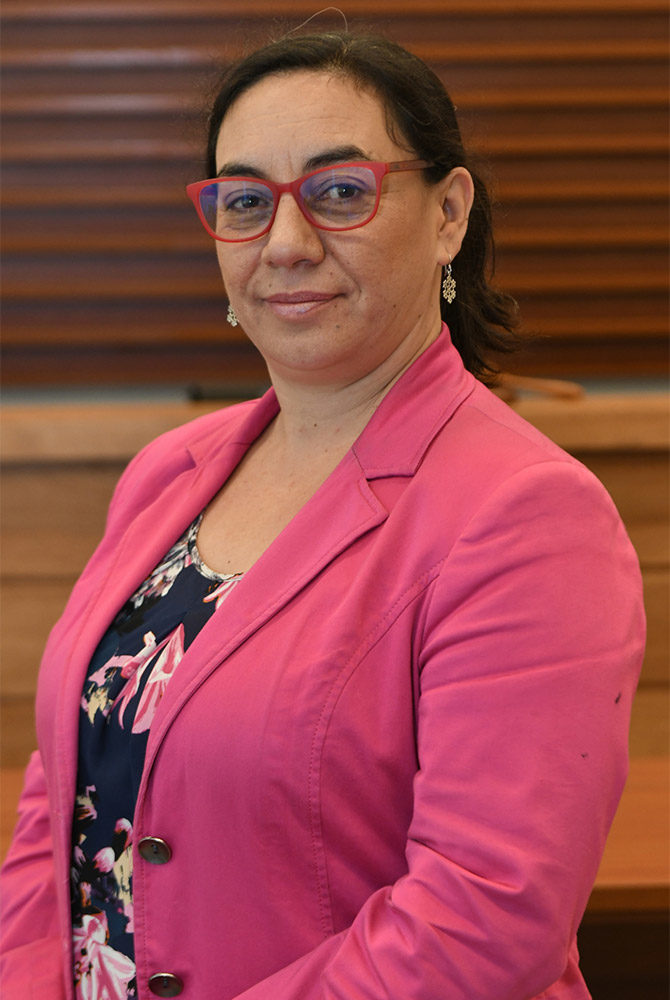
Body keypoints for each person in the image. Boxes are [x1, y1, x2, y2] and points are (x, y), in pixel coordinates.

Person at [0, 30, 645, 1000]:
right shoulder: (167, 473)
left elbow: (484, 914)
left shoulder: (527, 514)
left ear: (448, 214)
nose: (287, 243)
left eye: (340, 192)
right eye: (245, 201)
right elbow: (62, 793)